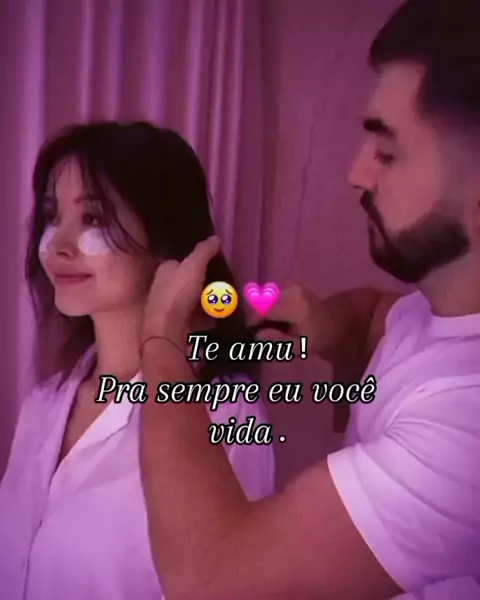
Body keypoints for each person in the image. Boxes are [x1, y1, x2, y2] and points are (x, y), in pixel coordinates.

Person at [137, 1, 480, 598]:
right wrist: (332, 323)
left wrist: (161, 338)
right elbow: (377, 318)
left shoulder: (465, 426)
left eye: (388, 153)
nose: (356, 173)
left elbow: (212, 580)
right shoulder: (435, 315)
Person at [0, 121, 275, 600]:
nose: (58, 244)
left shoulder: (224, 416)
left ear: (166, 239)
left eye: (93, 218)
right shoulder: (42, 405)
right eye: (51, 216)